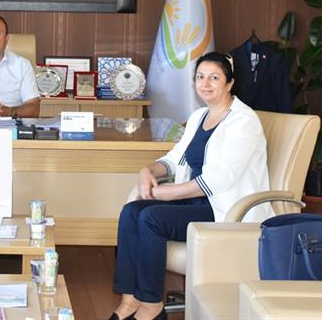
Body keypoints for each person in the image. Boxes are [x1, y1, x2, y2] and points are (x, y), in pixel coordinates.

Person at [111, 52, 273, 320]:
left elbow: (220, 178)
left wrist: (167, 193)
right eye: (200, 77)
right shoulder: (199, 116)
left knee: (151, 218)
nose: (205, 84)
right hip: (195, 202)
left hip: (225, 208)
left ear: (230, 83)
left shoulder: (244, 121)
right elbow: (176, 158)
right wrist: (149, 170)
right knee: (131, 211)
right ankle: (130, 300)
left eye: (214, 78)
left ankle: (151, 305)